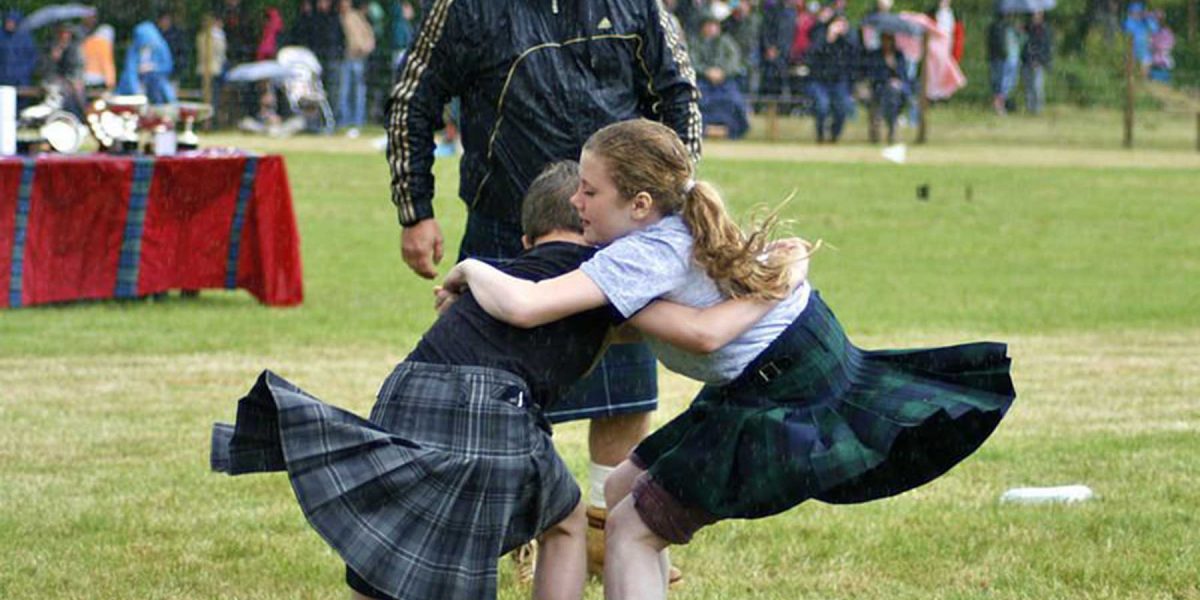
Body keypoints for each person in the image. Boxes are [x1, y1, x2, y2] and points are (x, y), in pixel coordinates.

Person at [445, 118, 1016, 600]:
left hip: (782, 387)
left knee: (631, 530)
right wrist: (775, 285)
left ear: (639, 203)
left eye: (589, 191)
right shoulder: (666, 225)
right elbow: (661, 327)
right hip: (785, 362)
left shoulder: (638, 255)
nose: (576, 200)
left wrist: (469, 270)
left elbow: (530, 308)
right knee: (621, 489)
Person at [211, 161, 802, 600]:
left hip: (405, 388)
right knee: (567, 523)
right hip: (485, 402)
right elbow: (696, 331)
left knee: (399, 541)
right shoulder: (605, 275)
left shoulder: (509, 274)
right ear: (595, 225)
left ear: (527, 239)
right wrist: (774, 285)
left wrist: (473, 271)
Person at [386, 0, 702, 579]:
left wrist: (671, 206)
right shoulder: (465, 9)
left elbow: (678, 95)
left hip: (617, 230)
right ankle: (518, 523)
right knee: (500, 387)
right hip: (512, 226)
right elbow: (414, 97)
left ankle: (608, 528)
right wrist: (416, 209)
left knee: (624, 395)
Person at [690, 12, 750, 139]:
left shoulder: (727, 43)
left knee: (735, 101)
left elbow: (735, 61)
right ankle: (703, 129)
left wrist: (723, 72)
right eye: (709, 25)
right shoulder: (695, 43)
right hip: (702, 81)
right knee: (698, 101)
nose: (712, 28)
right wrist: (707, 72)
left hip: (725, 81)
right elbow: (692, 62)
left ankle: (731, 129)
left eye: (714, 25)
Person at [805, 13, 858, 143]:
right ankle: (820, 135)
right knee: (822, 106)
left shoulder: (846, 41)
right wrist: (829, 37)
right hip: (819, 81)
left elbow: (855, 53)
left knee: (842, 108)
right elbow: (812, 54)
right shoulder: (820, 36)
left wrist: (845, 35)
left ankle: (834, 136)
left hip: (837, 82)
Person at [118, 13, 177, 104]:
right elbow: (130, 70)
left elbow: (167, 66)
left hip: (155, 85)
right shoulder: (135, 49)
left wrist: (154, 67)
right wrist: (136, 91)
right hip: (137, 88)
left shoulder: (160, 46)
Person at [338, 0, 375, 136]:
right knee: (346, 90)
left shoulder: (355, 17)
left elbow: (367, 35)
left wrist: (364, 49)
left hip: (357, 58)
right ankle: (345, 120)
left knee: (357, 91)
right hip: (348, 57)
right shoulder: (342, 18)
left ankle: (357, 121)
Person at [865, 32, 909, 144]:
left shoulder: (899, 55)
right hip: (880, 87)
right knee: (889, 94)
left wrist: (894, 67)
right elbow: (873, 75)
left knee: (894, 94)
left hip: (896, 89)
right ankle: (890, 126)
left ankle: (892, 125)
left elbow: (903, 75)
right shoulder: (876, 55)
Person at [1021, 10, 1052, 115]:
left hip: (1037, 63)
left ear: (1041, 15)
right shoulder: (1028, 28)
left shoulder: (1044, 29)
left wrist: (1039, 60)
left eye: (1036, 14)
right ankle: (1030, 108)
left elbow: (1045, 47)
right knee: (1028, 86)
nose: (1034, 17)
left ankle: (1038, 109)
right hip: (1026, 61)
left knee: (1037, 86)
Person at [81, 24, 117, 92]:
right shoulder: (104, 44)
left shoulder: (88, 41)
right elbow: (107, 64)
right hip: (98, 80)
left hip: (84, 77)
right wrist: (111, 83)